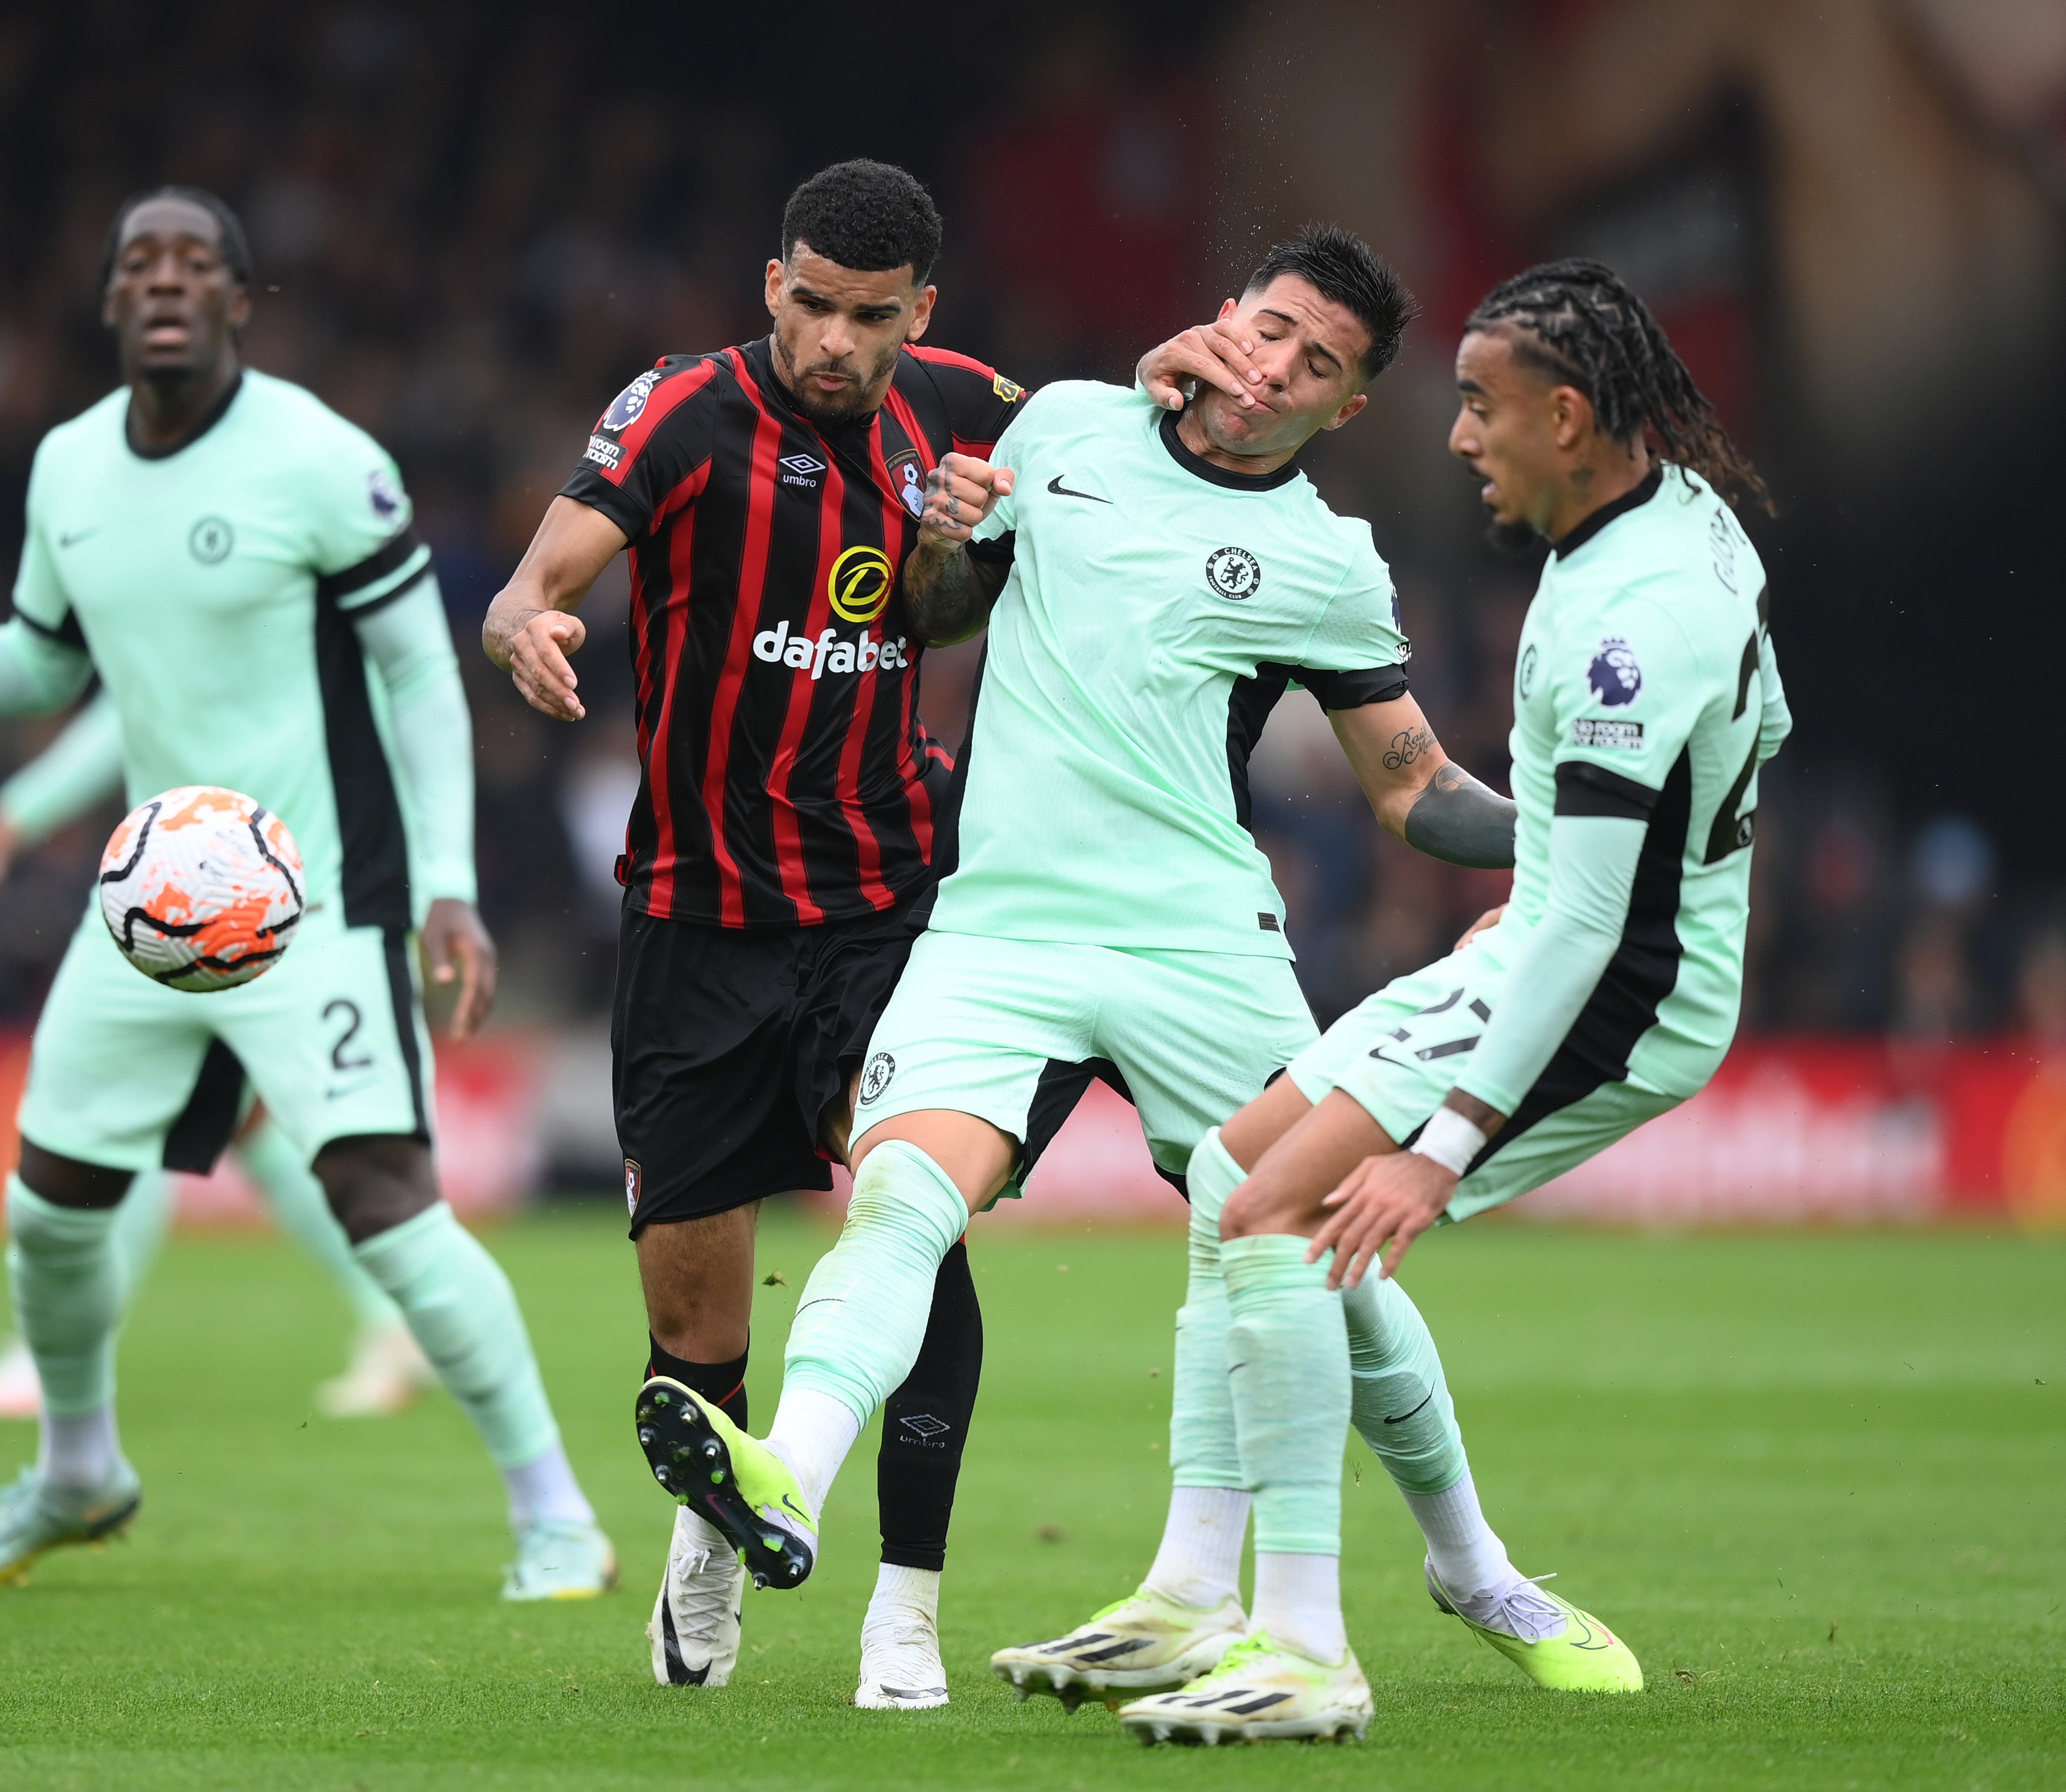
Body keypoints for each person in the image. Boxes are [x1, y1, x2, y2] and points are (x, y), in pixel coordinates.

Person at [624, 224, 1603, 1712]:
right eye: (1268, 327)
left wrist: (1572, 841)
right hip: (1001, 923)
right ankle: (789, 1481)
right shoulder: (1068, 425)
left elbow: (1410, 784)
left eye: (1317, 363)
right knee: (897, 1197)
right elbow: (940, 613)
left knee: (1320, 1249)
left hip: (1197, 942)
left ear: (1341, 409)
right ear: (1223, 315)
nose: (1273, 366)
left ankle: (1472, 1563)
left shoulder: (1325, 560)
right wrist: (946, 534)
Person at [0, 186, 614, 1601]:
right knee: (50, 1201)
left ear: (237, 299)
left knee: (386, 1200)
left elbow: (417, 675)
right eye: (138, 259)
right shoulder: (68, 468)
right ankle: (77, 1470)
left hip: (316, 894)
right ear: (107, 301)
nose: (164, 278)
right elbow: (38, 667)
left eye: (195, 261)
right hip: (148, 909)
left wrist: (446, 885)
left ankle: (554, 1511)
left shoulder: (321, 459)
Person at [484, 159, 1228, 1707]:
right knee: (693, 1327)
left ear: (921, 314)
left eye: (867, 317)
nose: (833, 341)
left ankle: (906, 1605)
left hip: (889, 907)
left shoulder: (964, 404)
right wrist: (528, 621)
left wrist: (1162, 387)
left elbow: (1115, 447)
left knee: (908, 1217)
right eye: (810, 305)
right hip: (694, 917)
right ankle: (713, 1539)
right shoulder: (680, 411)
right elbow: (533, 577)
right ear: (774, 285)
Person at [1116, 258, 1784, 1745]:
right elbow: (1670, 793)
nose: (1456, 434)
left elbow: (1602, 916)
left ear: (1565, 413)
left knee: (1272, 1215)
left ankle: (1300, 1644)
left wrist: (1447, 1142)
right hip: (1548, 938)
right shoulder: (1644, 520)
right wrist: (1547, 864)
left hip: (1619, 992)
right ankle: (1363, 1578)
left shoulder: (1635, 618)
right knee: (1238, 1170)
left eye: (1479, 407)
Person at [0, 694, 432, 1425]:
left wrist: (17, 812)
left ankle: (59, 1357)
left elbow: (129, 710)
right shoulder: (307, 622)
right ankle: (399, 1319)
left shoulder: (252, 621)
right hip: (286, 900)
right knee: (256, 1130)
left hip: (252, 908)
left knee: (134, 1118)